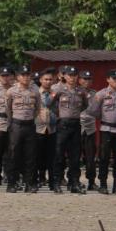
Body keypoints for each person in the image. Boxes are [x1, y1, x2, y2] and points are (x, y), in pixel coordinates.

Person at [87, 69, 116, 195]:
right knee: (104, 158)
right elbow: (92, 110)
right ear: (108, 79)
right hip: (106, 129)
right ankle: (103, 185)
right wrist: (103, 117)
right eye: (114, 78)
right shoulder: (101, 94)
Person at [51, 66, 90, 194]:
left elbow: (85, 105)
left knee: (75, 155)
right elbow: (49, 104)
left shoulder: (81, 91)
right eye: (69, 75)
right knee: (59, 154)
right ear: (64, 76)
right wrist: (60, 115)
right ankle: (56, 182)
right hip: (62, 124)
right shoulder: (58, 89)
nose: (72, 78)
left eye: (74, 75)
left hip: (75, 123)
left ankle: (74, 182)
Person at [6, 65, 41, 193]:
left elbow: (37, 109)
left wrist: (30, 118)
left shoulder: (35, 91)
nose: (26, 77)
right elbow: (8, 109)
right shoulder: (11, 91)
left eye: (28, 75)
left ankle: (29, 183)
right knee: (14, 154)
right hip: (16, 125)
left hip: (30, 125)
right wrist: (14, 120)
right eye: (23, 75)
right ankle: (12, 183)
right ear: (18, 77)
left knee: (30, 156)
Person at [35, 68, 56, 189]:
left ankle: (52, 181)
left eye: (50, 79)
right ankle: (39, 177)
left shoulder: (56, 93)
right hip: (39, 127)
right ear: (41, 80)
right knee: (38, 155)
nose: (48, 81)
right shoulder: (36, 93)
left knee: (51, 156)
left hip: (52, 128)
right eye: (45, 79)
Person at [78, 70, 98, 190]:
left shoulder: (95, 94)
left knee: (90, 157)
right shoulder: (75, 92)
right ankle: (74, 180)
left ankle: (91, 181)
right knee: (75, 156)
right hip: (77, 127)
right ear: (79, 80)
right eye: (84, 79)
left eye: (89, 79)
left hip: (90, 128)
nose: (87, 81)